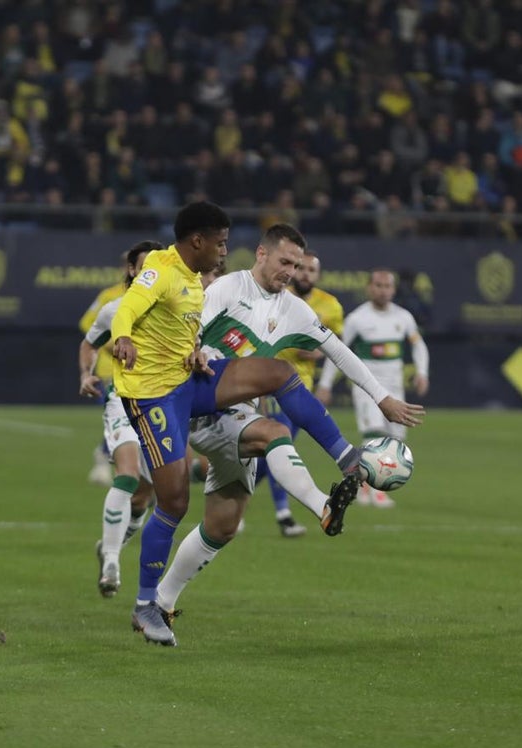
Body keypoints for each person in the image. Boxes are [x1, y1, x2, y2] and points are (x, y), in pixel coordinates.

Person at [113, 202, 424, 645]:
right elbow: (179, 319)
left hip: (229, 407)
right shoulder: (224, 288)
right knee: (196, 485)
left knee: (222, 524)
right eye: (284, 262)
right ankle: (338, 477)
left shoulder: (294, 310)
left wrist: (383, 397)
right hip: (192, 398)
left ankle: (161, 602)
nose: (291, 272)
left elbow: (339, 352)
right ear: (261, 254)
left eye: (297, 266)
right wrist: (193, 346)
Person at [78, 240, 163, 597]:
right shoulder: (114, 309)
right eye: (145, 268)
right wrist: (86, 374)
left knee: (146, 495)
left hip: (161, 407)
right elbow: (89, 343)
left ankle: (109, 546)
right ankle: (111, 562)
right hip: (123, 401)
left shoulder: (173, 310)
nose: (151, 275)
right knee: (127, 476)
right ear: (131, 270)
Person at [317, 270, 430, 508]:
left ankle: (369, 484)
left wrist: (422, 372)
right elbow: (336, 351)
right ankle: (373, 491)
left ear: (393, 289)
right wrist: (325, 384)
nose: (383, 290)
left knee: (396, 438)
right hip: (367, 387)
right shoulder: (358, 319)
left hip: (395, 387)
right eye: (378, 285)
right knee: (374, 434)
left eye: (387, 286)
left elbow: (418, 346)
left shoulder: (404, 317)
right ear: (369, 288)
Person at [254, 249, 345, 538]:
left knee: (270, 455)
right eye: (300, 268)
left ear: (318, 275)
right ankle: (284, 515)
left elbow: (334, 347)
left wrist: (323, 375)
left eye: (310, 270)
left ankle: (228, 491)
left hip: (302, 389)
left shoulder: (330, 306)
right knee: (281, 447)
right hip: (272, 384)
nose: (305, 274)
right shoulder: (277, 298)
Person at [79, 258, 131, 486]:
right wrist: (109, 344)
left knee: (127, 418)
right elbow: (87, 323)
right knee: (120, 415)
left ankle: (106, 457)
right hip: (109, 369)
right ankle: (105, 457)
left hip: (139, 371)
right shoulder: (109, 296)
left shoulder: (151, 296)